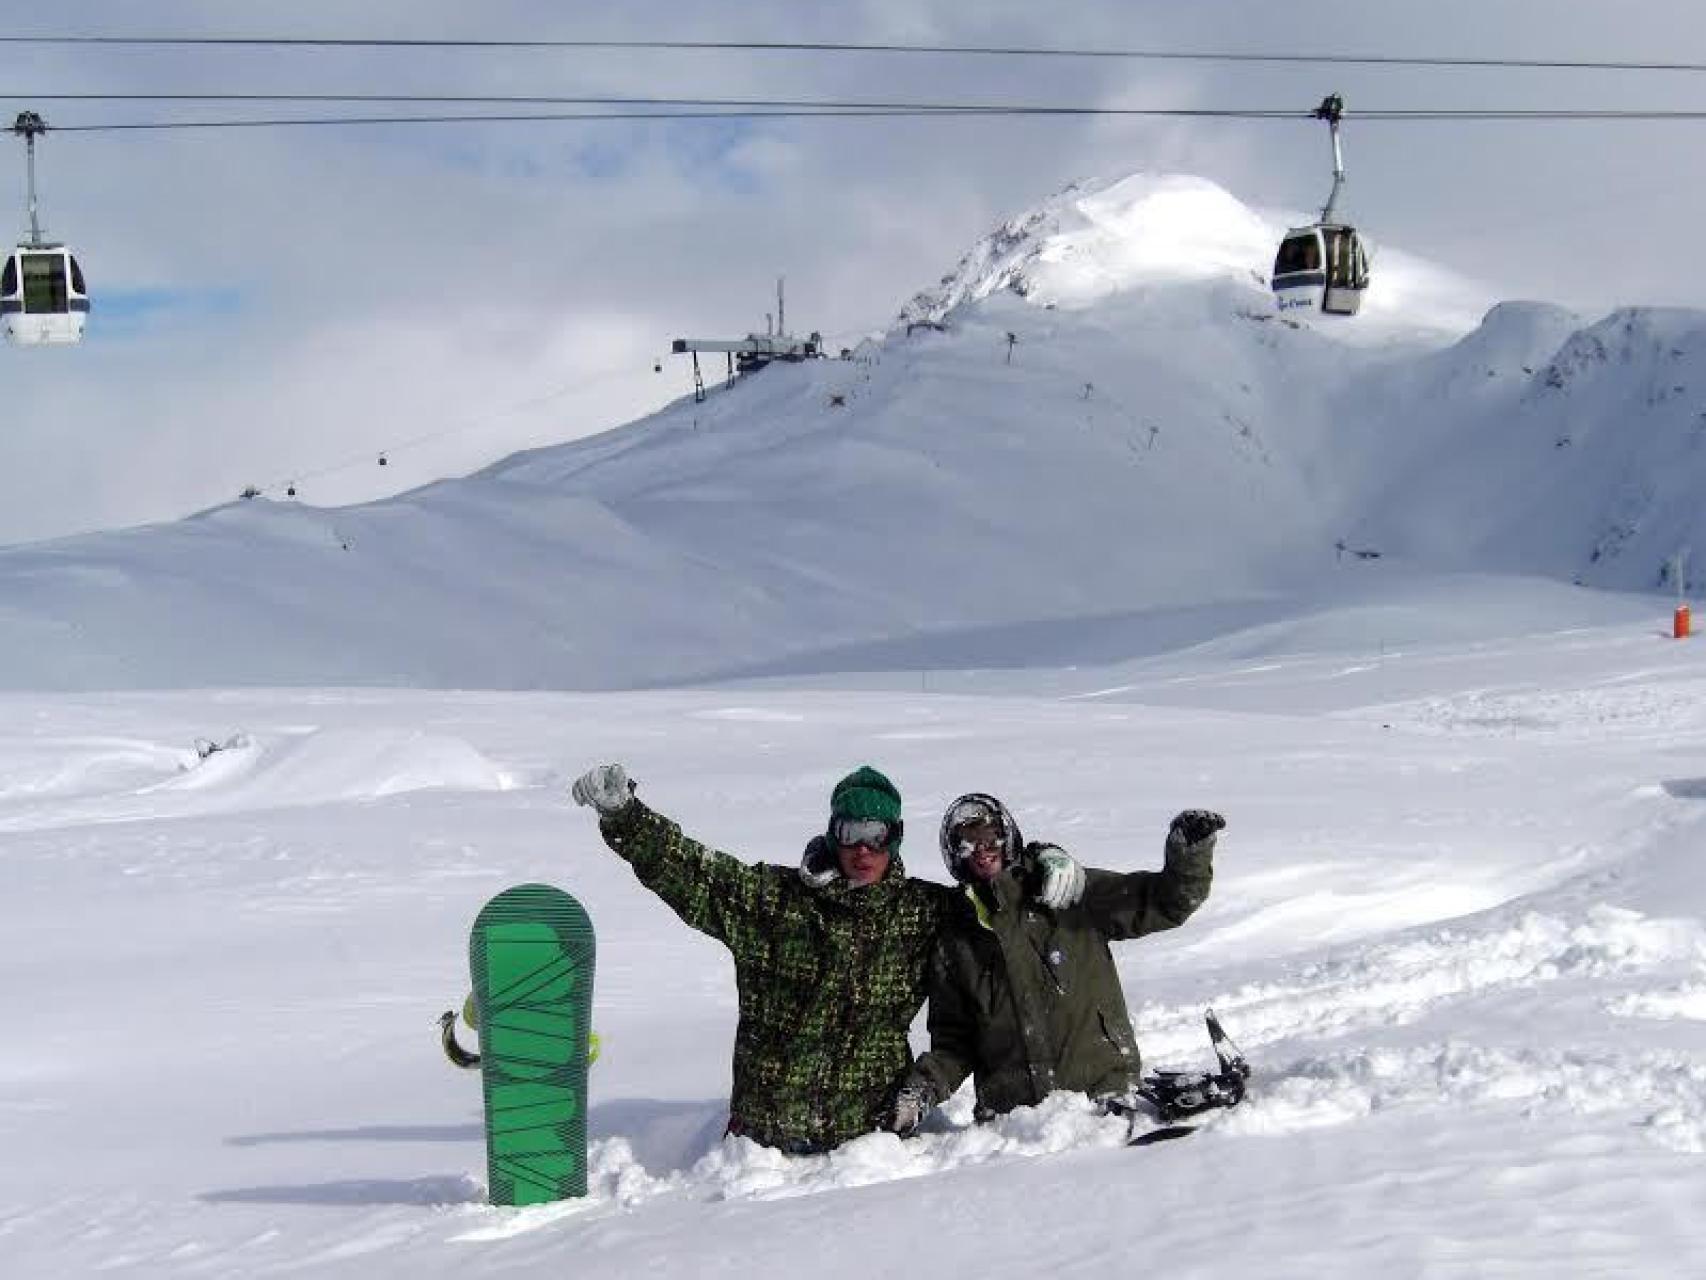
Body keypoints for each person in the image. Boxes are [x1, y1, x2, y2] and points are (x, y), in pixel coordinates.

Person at [569, 762, 1087, 1155]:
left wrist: (1040, 857)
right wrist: (626, 818)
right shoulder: (773, 901)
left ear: (896, 837)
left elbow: (995, 896)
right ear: (833, 834)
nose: (863, 848)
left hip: (873, 1149)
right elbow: (691, 870)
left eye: (877, 835)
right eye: (851, 833)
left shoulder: (927, 913)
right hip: (760, 1155)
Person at [887, 793, 1221, 1134]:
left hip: (1103, 1106)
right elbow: (954, 1044)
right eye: (966, 844)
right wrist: (922, 1089)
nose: (981, 850)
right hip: (1017, 1128)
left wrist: (1189, 856)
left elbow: (1163, 903)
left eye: (989, 838)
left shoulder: (1069, 892)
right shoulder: (956, 941)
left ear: (1007, 836)